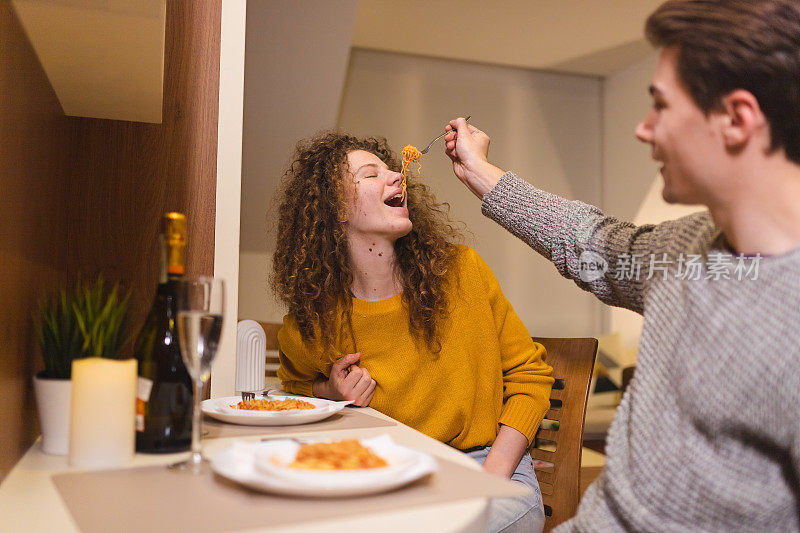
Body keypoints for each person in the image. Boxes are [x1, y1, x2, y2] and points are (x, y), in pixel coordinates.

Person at [444, 0, 800, 531]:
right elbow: (593, 244)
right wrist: (481, 175)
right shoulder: (687, 248)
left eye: (660, 105)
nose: (643, 128)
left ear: (736, 119)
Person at [271, 132, 554, 532]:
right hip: (386, 474)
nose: (396, 177)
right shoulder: (318, 318)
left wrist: (487, 481)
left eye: (393, 169)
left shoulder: (462, 272)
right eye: (371, 175)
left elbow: (530, 376)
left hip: (486, 466)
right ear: (331, 209)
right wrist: (329, 392)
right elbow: (292, 387)